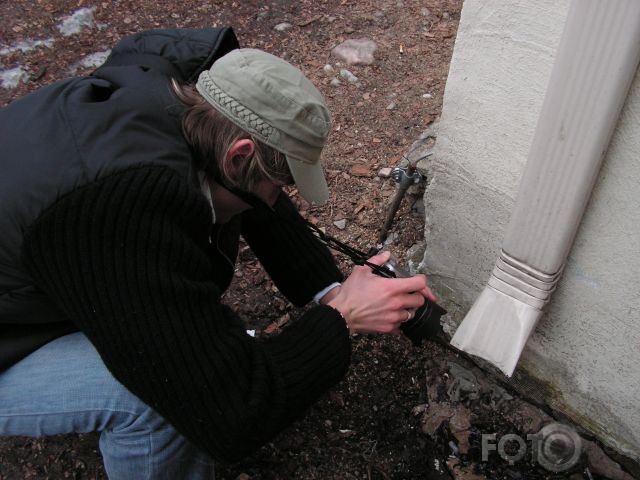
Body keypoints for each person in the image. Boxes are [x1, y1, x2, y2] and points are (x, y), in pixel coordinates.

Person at [0, 27, 435, 478]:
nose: (279, 197)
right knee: (159, 402)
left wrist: (328, 289)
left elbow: (255, 192)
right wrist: (341, 319)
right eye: (281, 184)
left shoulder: (184, 99)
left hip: (27, 265)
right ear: (239, 156)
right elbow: (230, 414)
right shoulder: (114, 212)